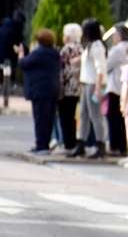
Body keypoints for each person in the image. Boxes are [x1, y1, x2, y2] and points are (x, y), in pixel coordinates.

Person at [16, 29, 60, 154]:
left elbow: (23, 64)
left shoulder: (39, 52)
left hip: (39, 90)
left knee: (40, 118)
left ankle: (41, 145)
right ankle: (44, 144)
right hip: (52, 89)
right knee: (49, 119)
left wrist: (20, 53)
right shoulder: (55, 53)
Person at [69, 19, 108, 159]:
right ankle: (82, 143)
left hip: (93, 84)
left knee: (95, 116)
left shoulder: (97, 47)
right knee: (84, 115)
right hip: (86, 83)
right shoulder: (90, 46)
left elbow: (100, 69)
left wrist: (98, 89)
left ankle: (100, 143)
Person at [105, 25, 128, 157]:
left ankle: (115, 145)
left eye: (115, 35)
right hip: (127, 87)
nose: (114, 37)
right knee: (123, 118)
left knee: (113, 117)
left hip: (115, 86)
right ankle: (123, 145)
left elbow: (107, 65)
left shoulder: (117, 50)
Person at [58, 23, 84, 152]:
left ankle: (68, 144)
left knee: (65, 117)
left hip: (67, 87)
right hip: (77, 87)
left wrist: (59, 87)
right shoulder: (81, 48)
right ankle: (72, 142)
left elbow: (62, 70)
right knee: (73, 116)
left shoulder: (66, 49)